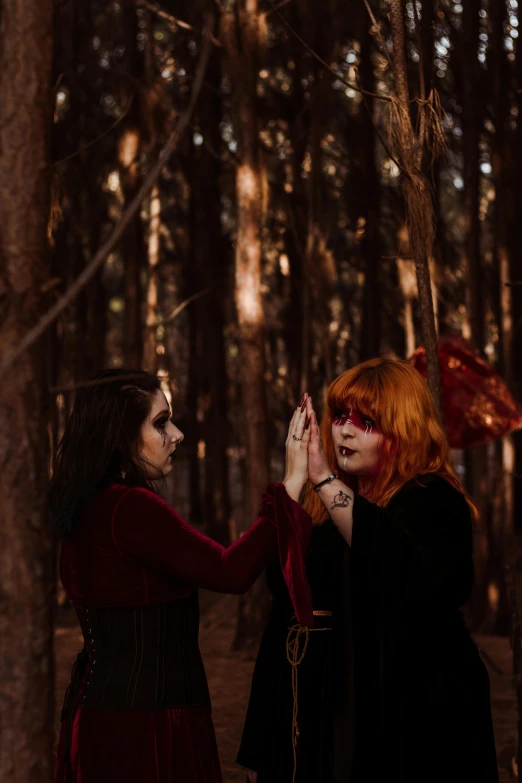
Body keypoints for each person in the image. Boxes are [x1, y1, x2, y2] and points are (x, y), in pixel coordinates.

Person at [238, 357, 498, 783]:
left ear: (403, 430)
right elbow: (284, 619)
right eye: (340, 415)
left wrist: (323, 479)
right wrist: (262, 743)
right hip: (327, 725)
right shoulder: (321, 511)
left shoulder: (434, 500)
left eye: (367, 421)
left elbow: (404, 575)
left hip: (418, 729)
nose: (345, 429)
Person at [50, 369, 313, 783]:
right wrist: (292, 485)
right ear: (119, 435)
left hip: (105, 717)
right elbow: (232, 571)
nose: (177, 434)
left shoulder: (91, 505)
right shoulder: (129, 508)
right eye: (160, 423)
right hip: (147, 729)